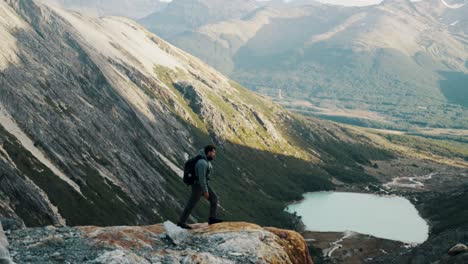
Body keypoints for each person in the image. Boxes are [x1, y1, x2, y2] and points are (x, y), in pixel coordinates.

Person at [177, 145, 223, 229]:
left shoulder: (205, 160)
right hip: (198, 186)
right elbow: (201, 178)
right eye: (213, 152)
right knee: (191, 204)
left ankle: (212, 219)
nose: (214, 154)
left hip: (202, 185)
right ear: (209, 152)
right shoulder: (202, 162)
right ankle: (181, 222)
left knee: (214, 199)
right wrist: (205, 191)